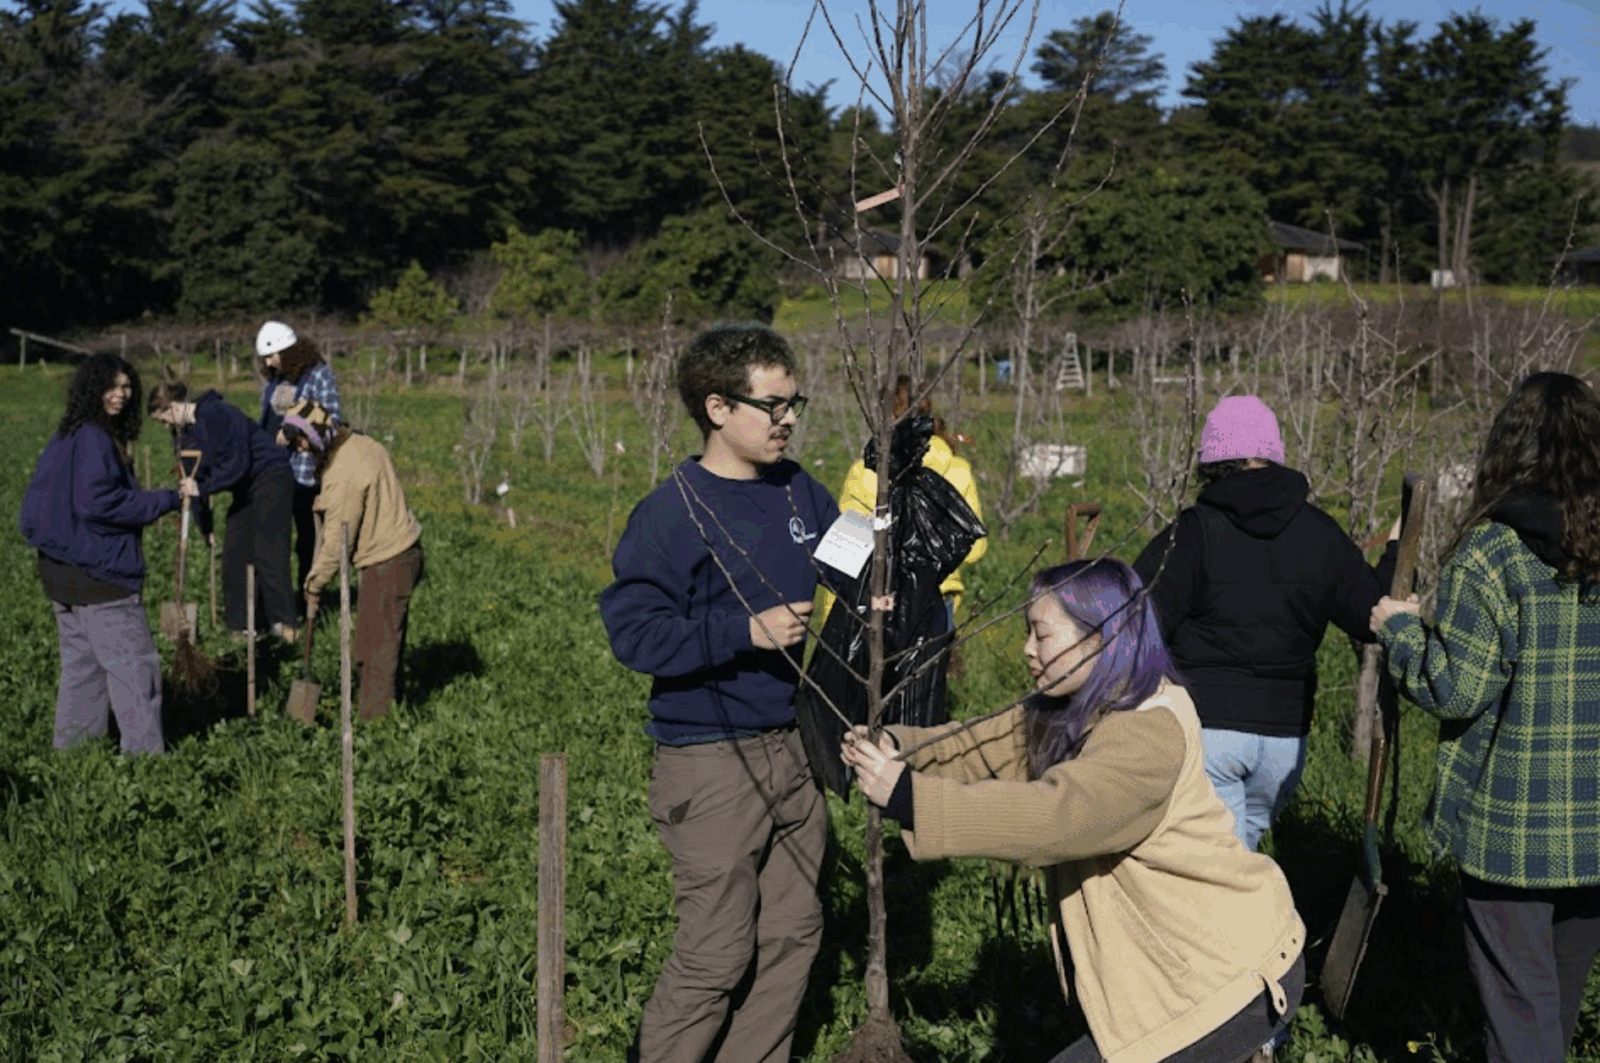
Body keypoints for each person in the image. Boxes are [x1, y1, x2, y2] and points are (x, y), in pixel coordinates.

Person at [842, 558, 1305, 1063]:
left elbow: (1059, 817)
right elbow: (983, 745)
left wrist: (910, 796)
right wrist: (895, 748)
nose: (1026, 649)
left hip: (1225, 978)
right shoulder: (1077, 709)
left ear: (1098, 638)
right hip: (1176, 973)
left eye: (1040, 634)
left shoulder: (1149, 730)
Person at [598, 323, 840, 1063]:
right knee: (715, 953)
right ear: (717, 407)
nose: (788, 417)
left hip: (795, 747)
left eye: (794, 400)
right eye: (771, 404)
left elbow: (851, 562)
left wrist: (880, 594)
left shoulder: (802, 490)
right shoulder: (673, 512)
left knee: (794, 935)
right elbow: (634, 633)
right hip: (711, 758)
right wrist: (743, 631)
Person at [1371, 372, 1600, 1063]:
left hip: (1511, 831)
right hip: (1595, 828)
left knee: (1521, 1013)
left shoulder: (1492, 552)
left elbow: (1457, 687)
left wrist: (1400, 632)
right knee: (1552, 1005)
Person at [1133, 395, 1387, 851]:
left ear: (1212, 464)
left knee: (1217, 869)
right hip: (1284, 741)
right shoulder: (1319, 532)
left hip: (1209, 730)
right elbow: (1373, 617)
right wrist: (1391, 560)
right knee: (1239, 855)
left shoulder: (1193, 532)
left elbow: (1141, 624)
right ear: (1273, 456)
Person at [19, 353, 197, 754]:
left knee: (83, 669)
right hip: (100, 577)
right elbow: (98, 503)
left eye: (126, 386)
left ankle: (74, 753)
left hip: (61, 573)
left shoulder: (68, 434)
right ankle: (145, 759)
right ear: (92, 388)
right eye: (112, 386)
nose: (120, 394)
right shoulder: (95, 439)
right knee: (136, 670)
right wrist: (165, 500)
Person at [278, 399, 424, 721]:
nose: (299, 450)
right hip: (400, 553)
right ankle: (387, 708)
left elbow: (336, 546)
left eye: (299, 441)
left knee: (375, 653)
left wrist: (314, 585)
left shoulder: (343, 472)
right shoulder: (360, 443)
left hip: (389, 560)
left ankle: (376, 728)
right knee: (373, 642)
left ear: (315, 434)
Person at [148, 382, 298, 644]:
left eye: (163, 419)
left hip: (270, 474)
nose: (164, 426)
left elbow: (238, 463)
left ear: (172, 407)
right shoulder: (182, 437)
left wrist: (203, 486)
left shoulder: (220, 413)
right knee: (234, 551)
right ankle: (241, 627)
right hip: (244, 488)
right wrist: (205, 527)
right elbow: (191, 481)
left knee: (268, 551)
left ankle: (284, 624)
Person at [836, 374, 986, 625]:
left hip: (879, 602)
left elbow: (846, 556)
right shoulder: (957, 469)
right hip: (939, 599)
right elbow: (974, 548)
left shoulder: (863, 473)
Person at [256, 320, 342, 607]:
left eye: (272, 355)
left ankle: (309, 600)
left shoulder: (318, 377)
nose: (269, 362)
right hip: (279, 473)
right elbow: (275, 421)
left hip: (308, 477)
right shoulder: (282, 382)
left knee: (307, 543)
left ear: (288, 351)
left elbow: (331, 422)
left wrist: (293, 432)